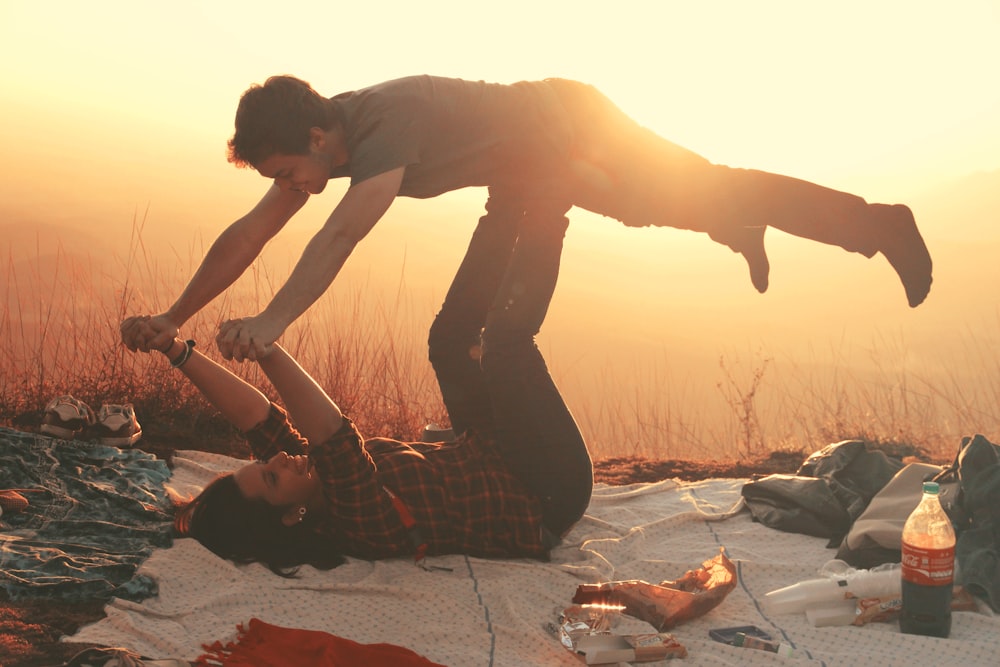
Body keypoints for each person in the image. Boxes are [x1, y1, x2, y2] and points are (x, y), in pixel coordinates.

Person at [122, 74, 933, 362]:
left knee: (710, 187)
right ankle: (731, 225)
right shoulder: (333, 143)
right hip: (528, 166)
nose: (292, 187)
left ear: (313, 135)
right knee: (682, 203)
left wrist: (273, 318)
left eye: (288, 170)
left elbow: (343, 233)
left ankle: (880, 224)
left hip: (569, 128)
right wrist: (172, 314)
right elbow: (251, 232)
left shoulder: (382, 125)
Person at [121, 211, 593, 573]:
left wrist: (176, 350)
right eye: (270, 477)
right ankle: (548, 208)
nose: (278, 461)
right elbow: (334, 434)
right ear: (291, 518)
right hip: (546, 488)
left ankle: (507, 208)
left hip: (490, 449)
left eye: (263, 464)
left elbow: (257, 417)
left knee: (448, 341)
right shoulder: (358, 522)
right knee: (507, 345)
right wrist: (265, 345)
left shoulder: (306, 481)